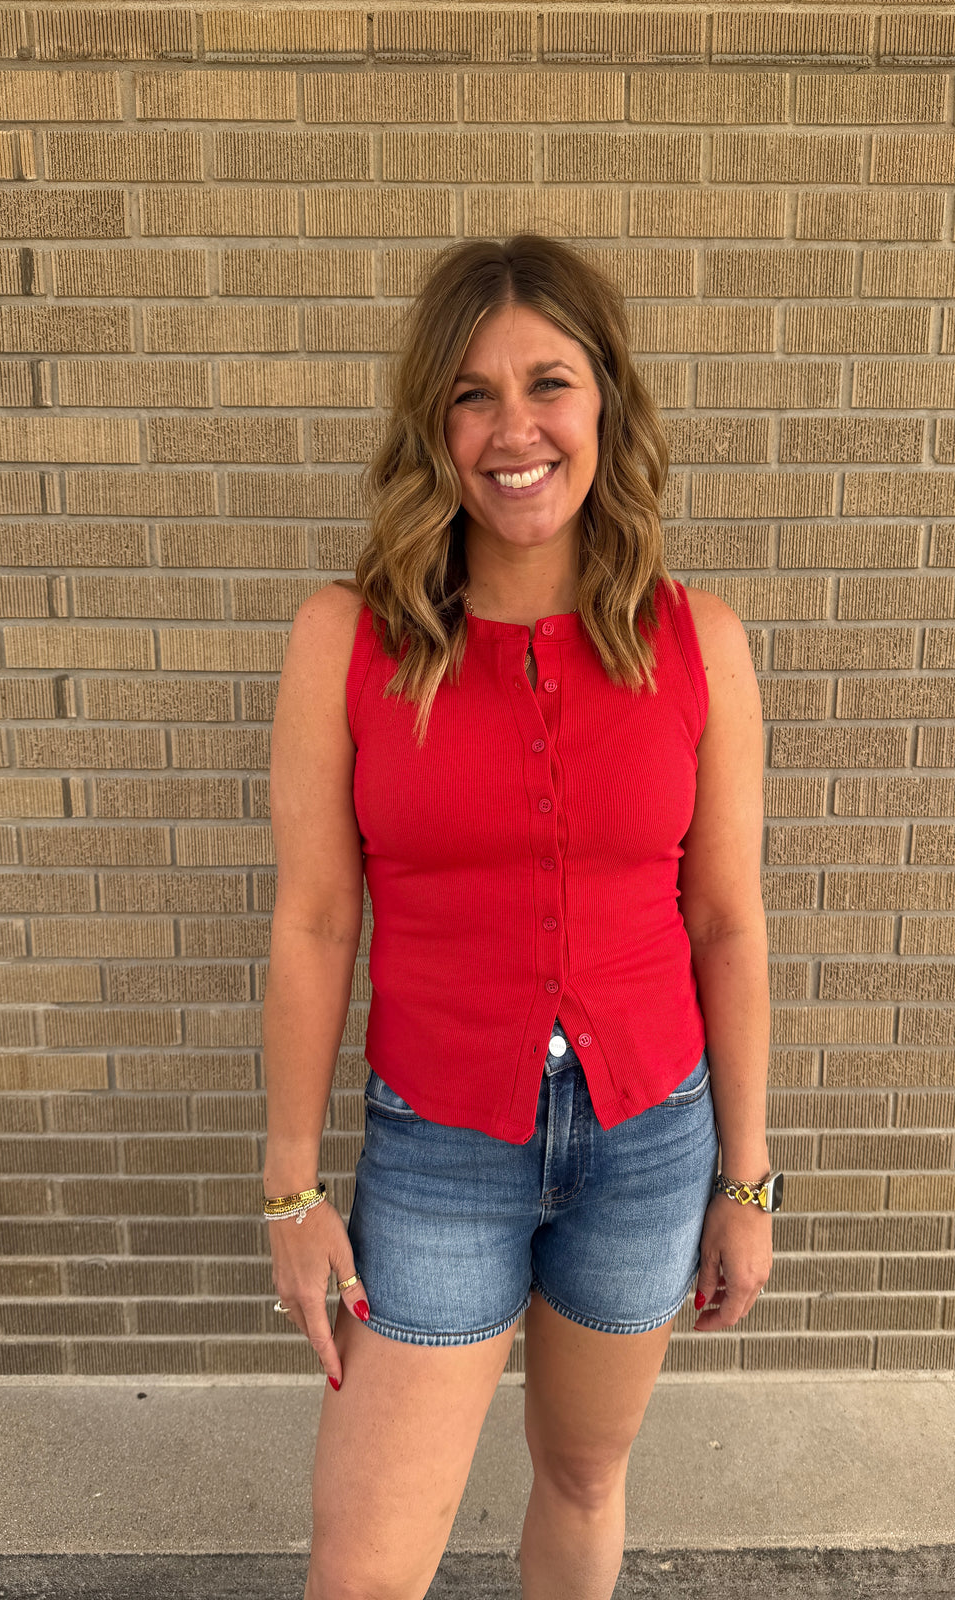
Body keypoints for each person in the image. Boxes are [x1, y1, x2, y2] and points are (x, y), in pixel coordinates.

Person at [262, 234, 777, 1600]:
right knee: (364, 1567)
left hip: (650, 1146)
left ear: (605, 401)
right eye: (472, 396)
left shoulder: (697, 642)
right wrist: (293, 1187)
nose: (514, 429)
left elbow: (726, 924)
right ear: (435, 430)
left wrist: (747, 1181)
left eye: (548, 382)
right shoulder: (348, 641)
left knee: (584, 1475)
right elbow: (315, 924)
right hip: (440, 1155)